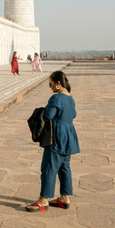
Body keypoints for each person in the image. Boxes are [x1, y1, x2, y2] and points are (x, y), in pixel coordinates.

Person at [26, 71, 80, 212]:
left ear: (57, 84)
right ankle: (64, 197)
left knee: (49, 168)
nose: (49, 87)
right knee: (64, 168)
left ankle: (44, 200)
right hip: (69, 136)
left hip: (57, 137)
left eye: (50, 84)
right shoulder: (70, 98)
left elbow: (49, 115)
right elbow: (73, 114)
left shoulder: (56, 98)